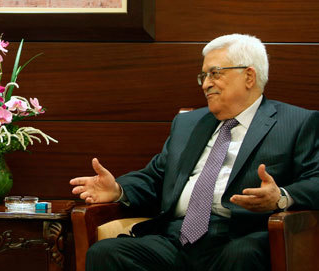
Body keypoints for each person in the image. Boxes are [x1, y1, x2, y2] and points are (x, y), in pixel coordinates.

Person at [70, 33, 319, 271]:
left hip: (238, 236)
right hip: (177, 237)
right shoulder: (189, 124)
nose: (206, 84)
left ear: (249, 76)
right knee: (106, 253)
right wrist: (118, 190)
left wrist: (281, 197)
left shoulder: (296, 123)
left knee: (243, 255)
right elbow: (157, 176)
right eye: (203, 76)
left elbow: (316, 180)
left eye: (215, 74)